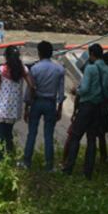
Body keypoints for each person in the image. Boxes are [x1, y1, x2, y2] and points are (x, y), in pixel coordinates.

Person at [63, 44, 108, 179]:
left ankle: (68, 168)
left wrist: (76, 91)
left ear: (91, 54)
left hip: (86, 106)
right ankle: (88, 172)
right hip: (99, 109)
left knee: (75, 136)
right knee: (92, 139)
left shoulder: (90, 69)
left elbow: (84, 88)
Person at [21, 41, 64, 171]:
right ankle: (49, 164)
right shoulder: (59, 69)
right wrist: (60, 109)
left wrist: (27, 108)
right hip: (50, 103)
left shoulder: (34, 69)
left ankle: (26, 162)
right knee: (48, 134)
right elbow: (61, 93)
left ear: (39, 53)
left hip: (37, 102)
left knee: (32, 133)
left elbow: (30, 90)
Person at [0, 46, 34, 161]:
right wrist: (29, 103)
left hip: (1, 106)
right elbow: (32, 86)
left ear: (6, 57)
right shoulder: (23, 70)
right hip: (14, 108)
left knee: (0, 133)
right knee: (8, 134)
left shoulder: (1, 70)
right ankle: (10, 156)